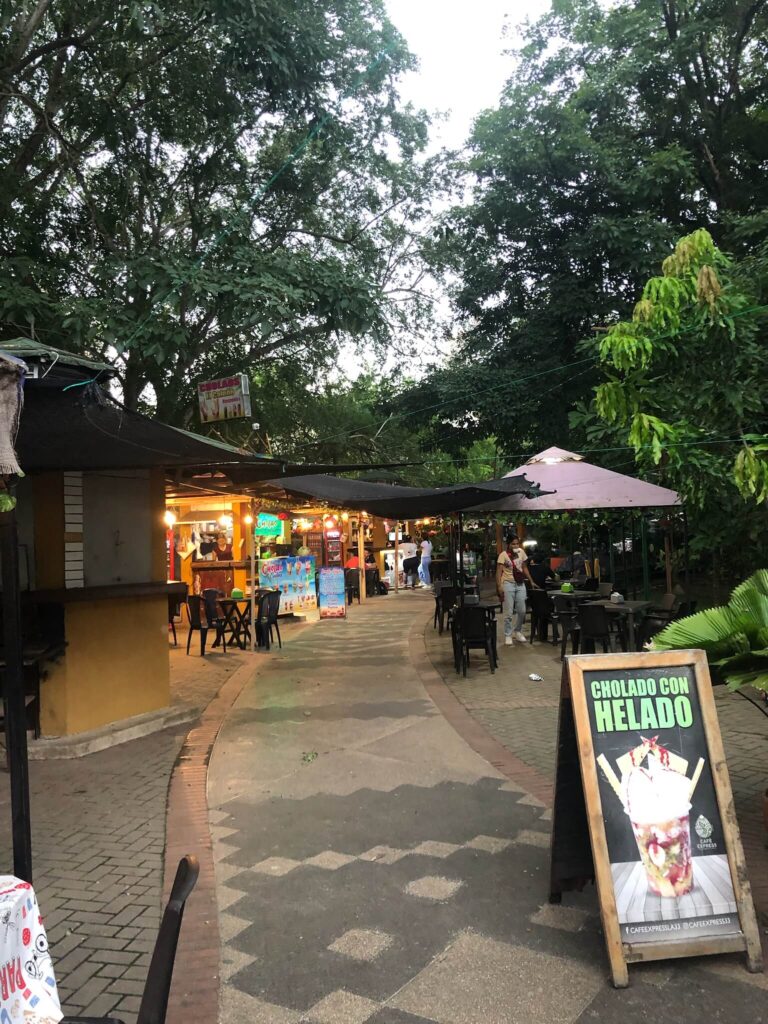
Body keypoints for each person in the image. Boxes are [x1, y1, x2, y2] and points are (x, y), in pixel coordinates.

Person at [496, 536, 539, 645]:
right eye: (513, 544)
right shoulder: (503, 555)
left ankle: (518, 631)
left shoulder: (521, 552)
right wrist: (499, 586)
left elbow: (524, 567)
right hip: (508, 583)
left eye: (517, 543)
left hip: (520, 584)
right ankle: (508, 634)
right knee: (508, 612)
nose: (515, 546)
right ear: (508, 544)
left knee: (522, 610)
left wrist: (531, 580)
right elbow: (498, 572)